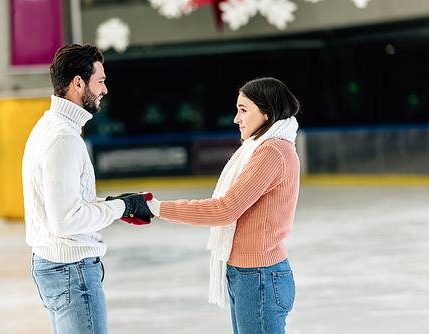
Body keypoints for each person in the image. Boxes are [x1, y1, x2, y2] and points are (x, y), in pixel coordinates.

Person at [110, 77, 300, 333]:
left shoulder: (272, 152)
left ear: (267, 113)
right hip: (250, 274)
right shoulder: (262, 148)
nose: (236, 118)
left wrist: (156, 207)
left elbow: (225, 209)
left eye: (243, 110)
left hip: (259, 276)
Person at [22, 44, 152, 334]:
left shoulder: (49, 126)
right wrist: (123, 207)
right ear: (78, 83)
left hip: (59, 269)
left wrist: (114, 203)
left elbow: (70, 202)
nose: (105, 89)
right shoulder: (63, 138)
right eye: (101, 81)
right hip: (72, 270)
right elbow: (66, 220)